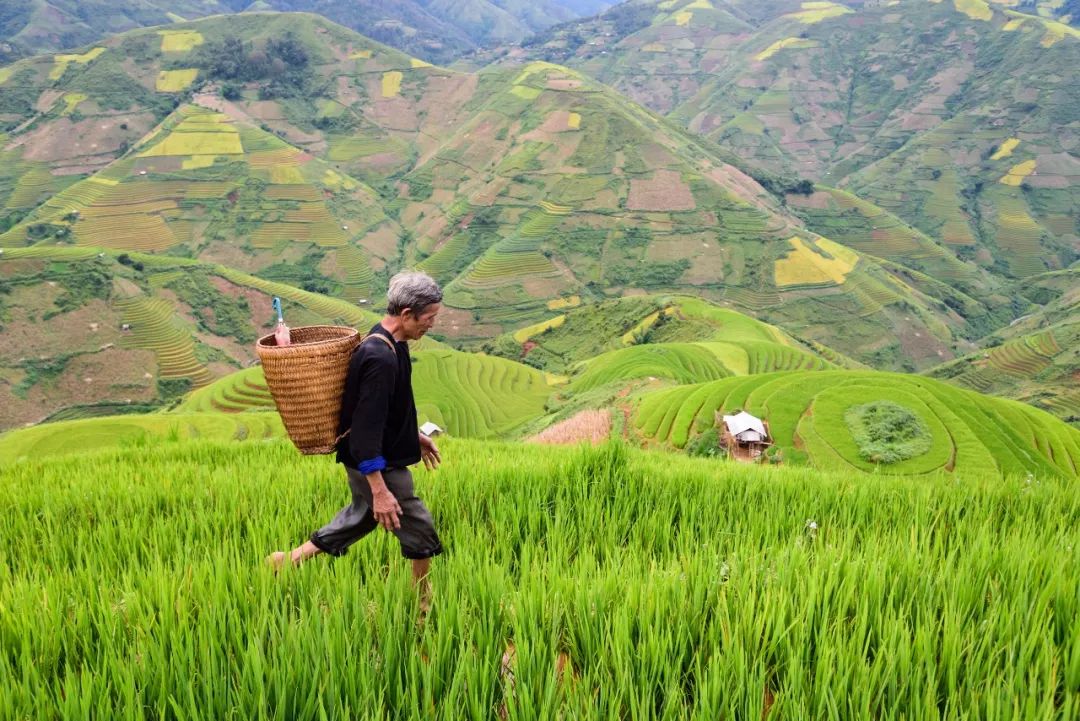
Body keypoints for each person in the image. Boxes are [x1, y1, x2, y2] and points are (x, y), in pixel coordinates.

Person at [267, 271, 445, 612]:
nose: (432, 325)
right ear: (407, 314)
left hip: (369, 457)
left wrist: (415, 436)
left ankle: (287, 560)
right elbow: (364, 432)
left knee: (362, 517)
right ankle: (423, 602)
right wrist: (379, 489)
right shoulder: (379, 358)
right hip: (375, 462)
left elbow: (393, 408)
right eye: (429, 318)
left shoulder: (395, 343)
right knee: (418, 525)